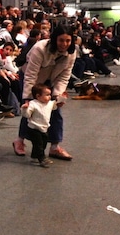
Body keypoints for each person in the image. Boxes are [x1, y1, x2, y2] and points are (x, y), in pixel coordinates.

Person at [12, 26, 76, 161]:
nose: (64, 44)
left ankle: (54, 147)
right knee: (30, 109)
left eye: (68, 41)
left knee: (55, 111)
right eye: (61, 40)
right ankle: (19, 141)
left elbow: (65, 75)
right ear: (54, 39)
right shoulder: (40, 48)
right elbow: (30, 75)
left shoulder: (72, 52)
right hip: (31, 77)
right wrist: (28, 97)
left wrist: (58, 95)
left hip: (50, 80)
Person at [20, 83, 58, 168]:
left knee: (43, 143)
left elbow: (55, 106)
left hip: (44, 128)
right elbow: (26, 115)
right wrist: (24, 108)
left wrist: (62, 99)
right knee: (39, 144)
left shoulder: (49, 103)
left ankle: (34, 156)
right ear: (38, 96)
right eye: (47, 95)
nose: (49, 97)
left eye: (50, 95)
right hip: (34, 128)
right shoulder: (33, 104)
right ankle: (42, 159)